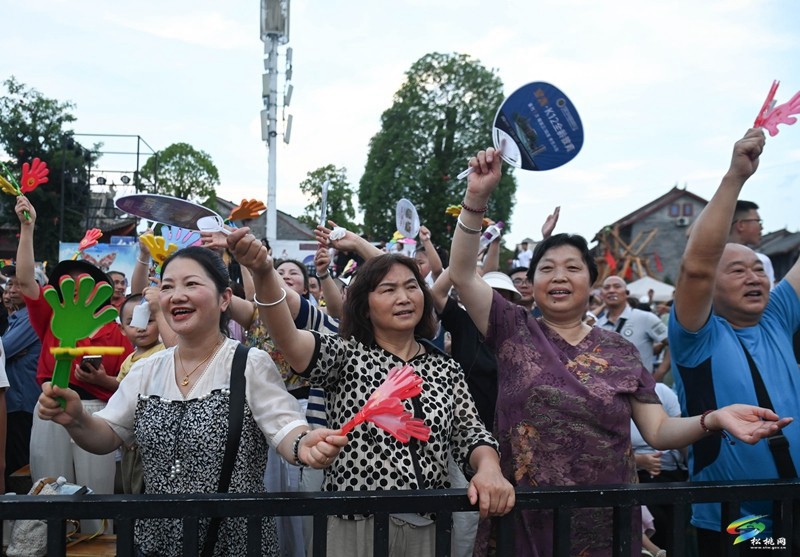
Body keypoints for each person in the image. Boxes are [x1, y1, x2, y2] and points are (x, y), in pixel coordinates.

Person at [447, 145, 792, 556]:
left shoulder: (620, 350)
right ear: (534, 283)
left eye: (573, 267)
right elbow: (464, 272)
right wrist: (476, 198)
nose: (560, 276)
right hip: (524, 518)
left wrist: (713, 418)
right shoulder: (512, 329)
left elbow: (659, 431)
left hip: (607, 521)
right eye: (547, 268)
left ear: (592, 282)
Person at [36, 246, 346, 556]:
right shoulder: (147, 368)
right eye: (167, 286)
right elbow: (106, 435)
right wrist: (76, 419)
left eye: (191, 284)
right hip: (156, 542)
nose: (176, 295)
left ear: (225, 298)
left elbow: (286, 427)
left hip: (235, 542)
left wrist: (305, 444)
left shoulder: (249, 363)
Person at [227, 228, 515, 557]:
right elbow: (289, 339)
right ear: (364, 306)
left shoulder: (445, 368)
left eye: (411, 287)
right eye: (388, 289)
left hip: (428, 526)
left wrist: (489, 468)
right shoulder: (345, 355)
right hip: (352, 524)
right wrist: (264, 273)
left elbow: (470, 431)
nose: (404, 298)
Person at [669, 128, 800, 554]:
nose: (754, 277)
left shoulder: (777, 316)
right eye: (738, 270)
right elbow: (697, 268)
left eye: (759, 270)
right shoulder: (697, 336)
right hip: (738, 517)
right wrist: (734, 178)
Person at [13, 195, 133, 532]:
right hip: (50, 405)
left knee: (98, 496)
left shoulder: (116, 330)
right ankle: (44, 545)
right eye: (67, 281)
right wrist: (27, 227)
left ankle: (98, 545)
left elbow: (127, 382)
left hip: (97, 413)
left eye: (84, 281)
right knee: (48, 493)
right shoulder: (51, 316)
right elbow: (24, 282)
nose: (75, 286)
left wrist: (101, 379)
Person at [596, 275, 668, 373]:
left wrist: (660, 372)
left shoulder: (645, 318)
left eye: (617, 286)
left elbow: (673, 343)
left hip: (641, 387)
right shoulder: (597, 326)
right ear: (601, 294)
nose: (611, 290)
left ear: (627, 293)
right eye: (606, 287)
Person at [729, 199, 775, 288]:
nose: (761, 227)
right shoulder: (762, 260)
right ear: (741, 225)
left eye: (759, 270)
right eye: (758, 221)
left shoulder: (763, 260)